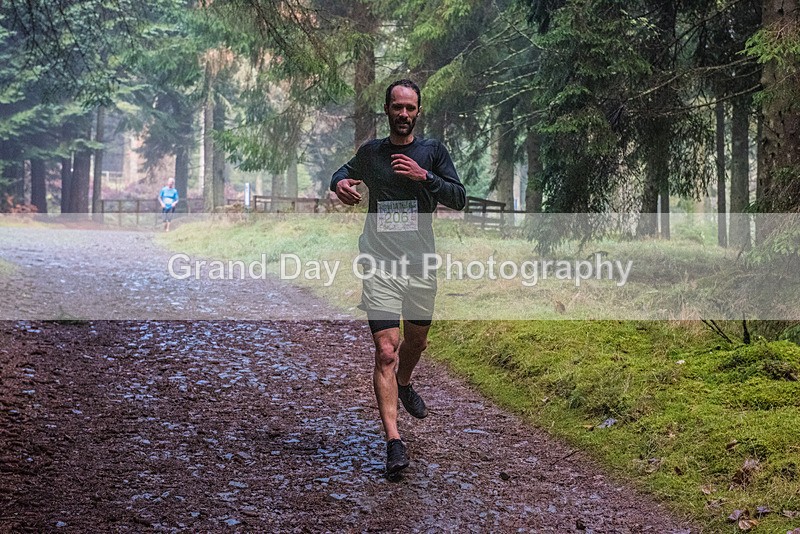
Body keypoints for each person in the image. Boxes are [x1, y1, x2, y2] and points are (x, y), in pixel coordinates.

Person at [330, 79, 466, 475]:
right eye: (397, 107)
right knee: (386, 350)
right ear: (387, 110)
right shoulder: (372, 153)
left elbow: (459, 198)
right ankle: (394, 440)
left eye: (410, 108)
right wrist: (338, 183)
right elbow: (344, 170)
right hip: (380, 264)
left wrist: (426, 177)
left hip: (420, 263)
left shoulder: (433, 152)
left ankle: (405, 382)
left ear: (417, 112)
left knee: (416, 341)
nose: (403, 114)